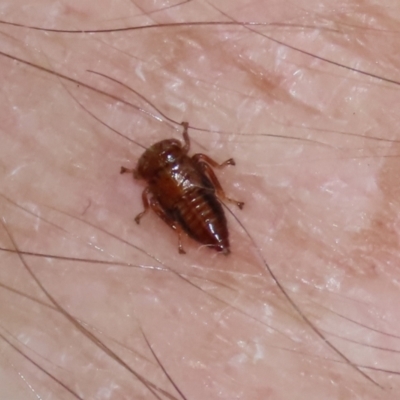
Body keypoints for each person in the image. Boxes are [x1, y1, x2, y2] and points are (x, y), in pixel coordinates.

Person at [1, 1, 398, 398]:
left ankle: (205, 219)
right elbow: (165, 191)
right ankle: (199, 224)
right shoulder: (156, 184)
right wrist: (182, 219)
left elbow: (196, 168)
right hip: (193, 207)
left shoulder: (168, 174)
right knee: (179, 198)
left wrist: (208, 196)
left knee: (190, 190)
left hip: (196, 204)